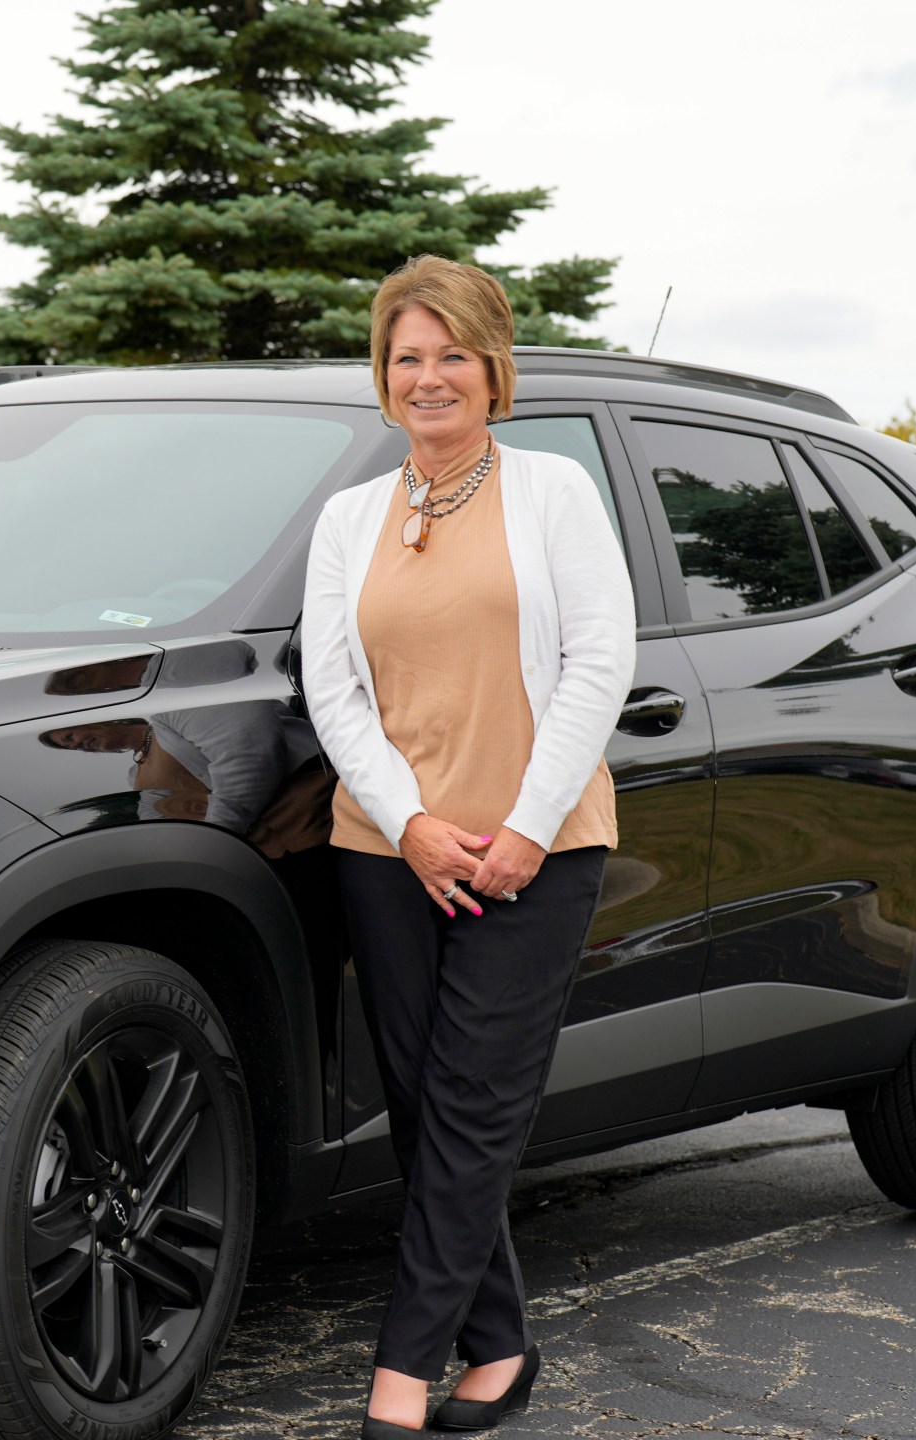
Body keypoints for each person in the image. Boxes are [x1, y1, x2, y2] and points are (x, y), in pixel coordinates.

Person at [298, 255, 634, 1435]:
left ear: (493, 369)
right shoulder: (349, 518)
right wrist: (413, 825)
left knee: (477, 1101)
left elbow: (600, 661)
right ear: (382, 379)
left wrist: (522, 831)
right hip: (389, 853)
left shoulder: (552, 494)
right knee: (425, 1104)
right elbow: (331, 688)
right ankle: (497, 1350)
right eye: (406, 357)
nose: (428, 377)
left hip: (531, 851)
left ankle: (399, 1376)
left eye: (450, 355)